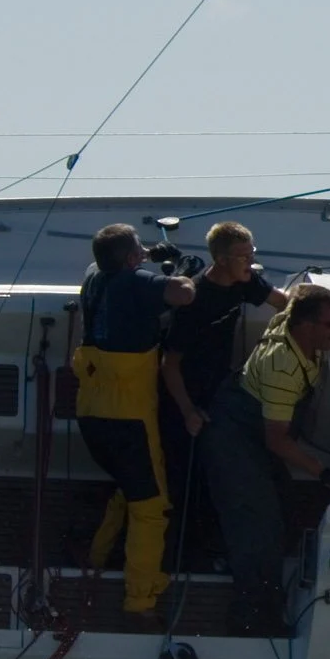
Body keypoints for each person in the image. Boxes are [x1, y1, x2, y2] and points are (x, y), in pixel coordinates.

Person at [198, 282, 330, 636]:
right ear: (306, 326)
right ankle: (252, 619)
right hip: (237, 436)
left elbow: (297, 293)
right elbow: (276, 440)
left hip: (251, 421)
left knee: (284, 505)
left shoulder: (288, 319)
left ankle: (225, 554)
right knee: (259, 530)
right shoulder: (284, 368)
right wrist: (326, 473)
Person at [72, 224, 194, 624]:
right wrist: (179, 270)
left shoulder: (93, 277)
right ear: (129, 259)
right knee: (151, 509)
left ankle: (94, 559)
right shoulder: (138, 281)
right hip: (129, 418)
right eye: (138, 250)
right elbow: (182, 294)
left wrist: (146, 256)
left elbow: (103, 262)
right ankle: (140, 602)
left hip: (91, 410)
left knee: (129, 487)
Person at [158, 222, 286, 564]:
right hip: (183, 397)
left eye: (252, 253)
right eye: (244, 256)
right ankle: (179, 556)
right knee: (184, 480)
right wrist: (187, 412)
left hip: (219, 393)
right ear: (222, 259)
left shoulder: (246, 282)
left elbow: (283, 304)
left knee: (222, 472)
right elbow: (169, 365)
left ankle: (215, 546)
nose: (251, 262)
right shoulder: (195, 301)